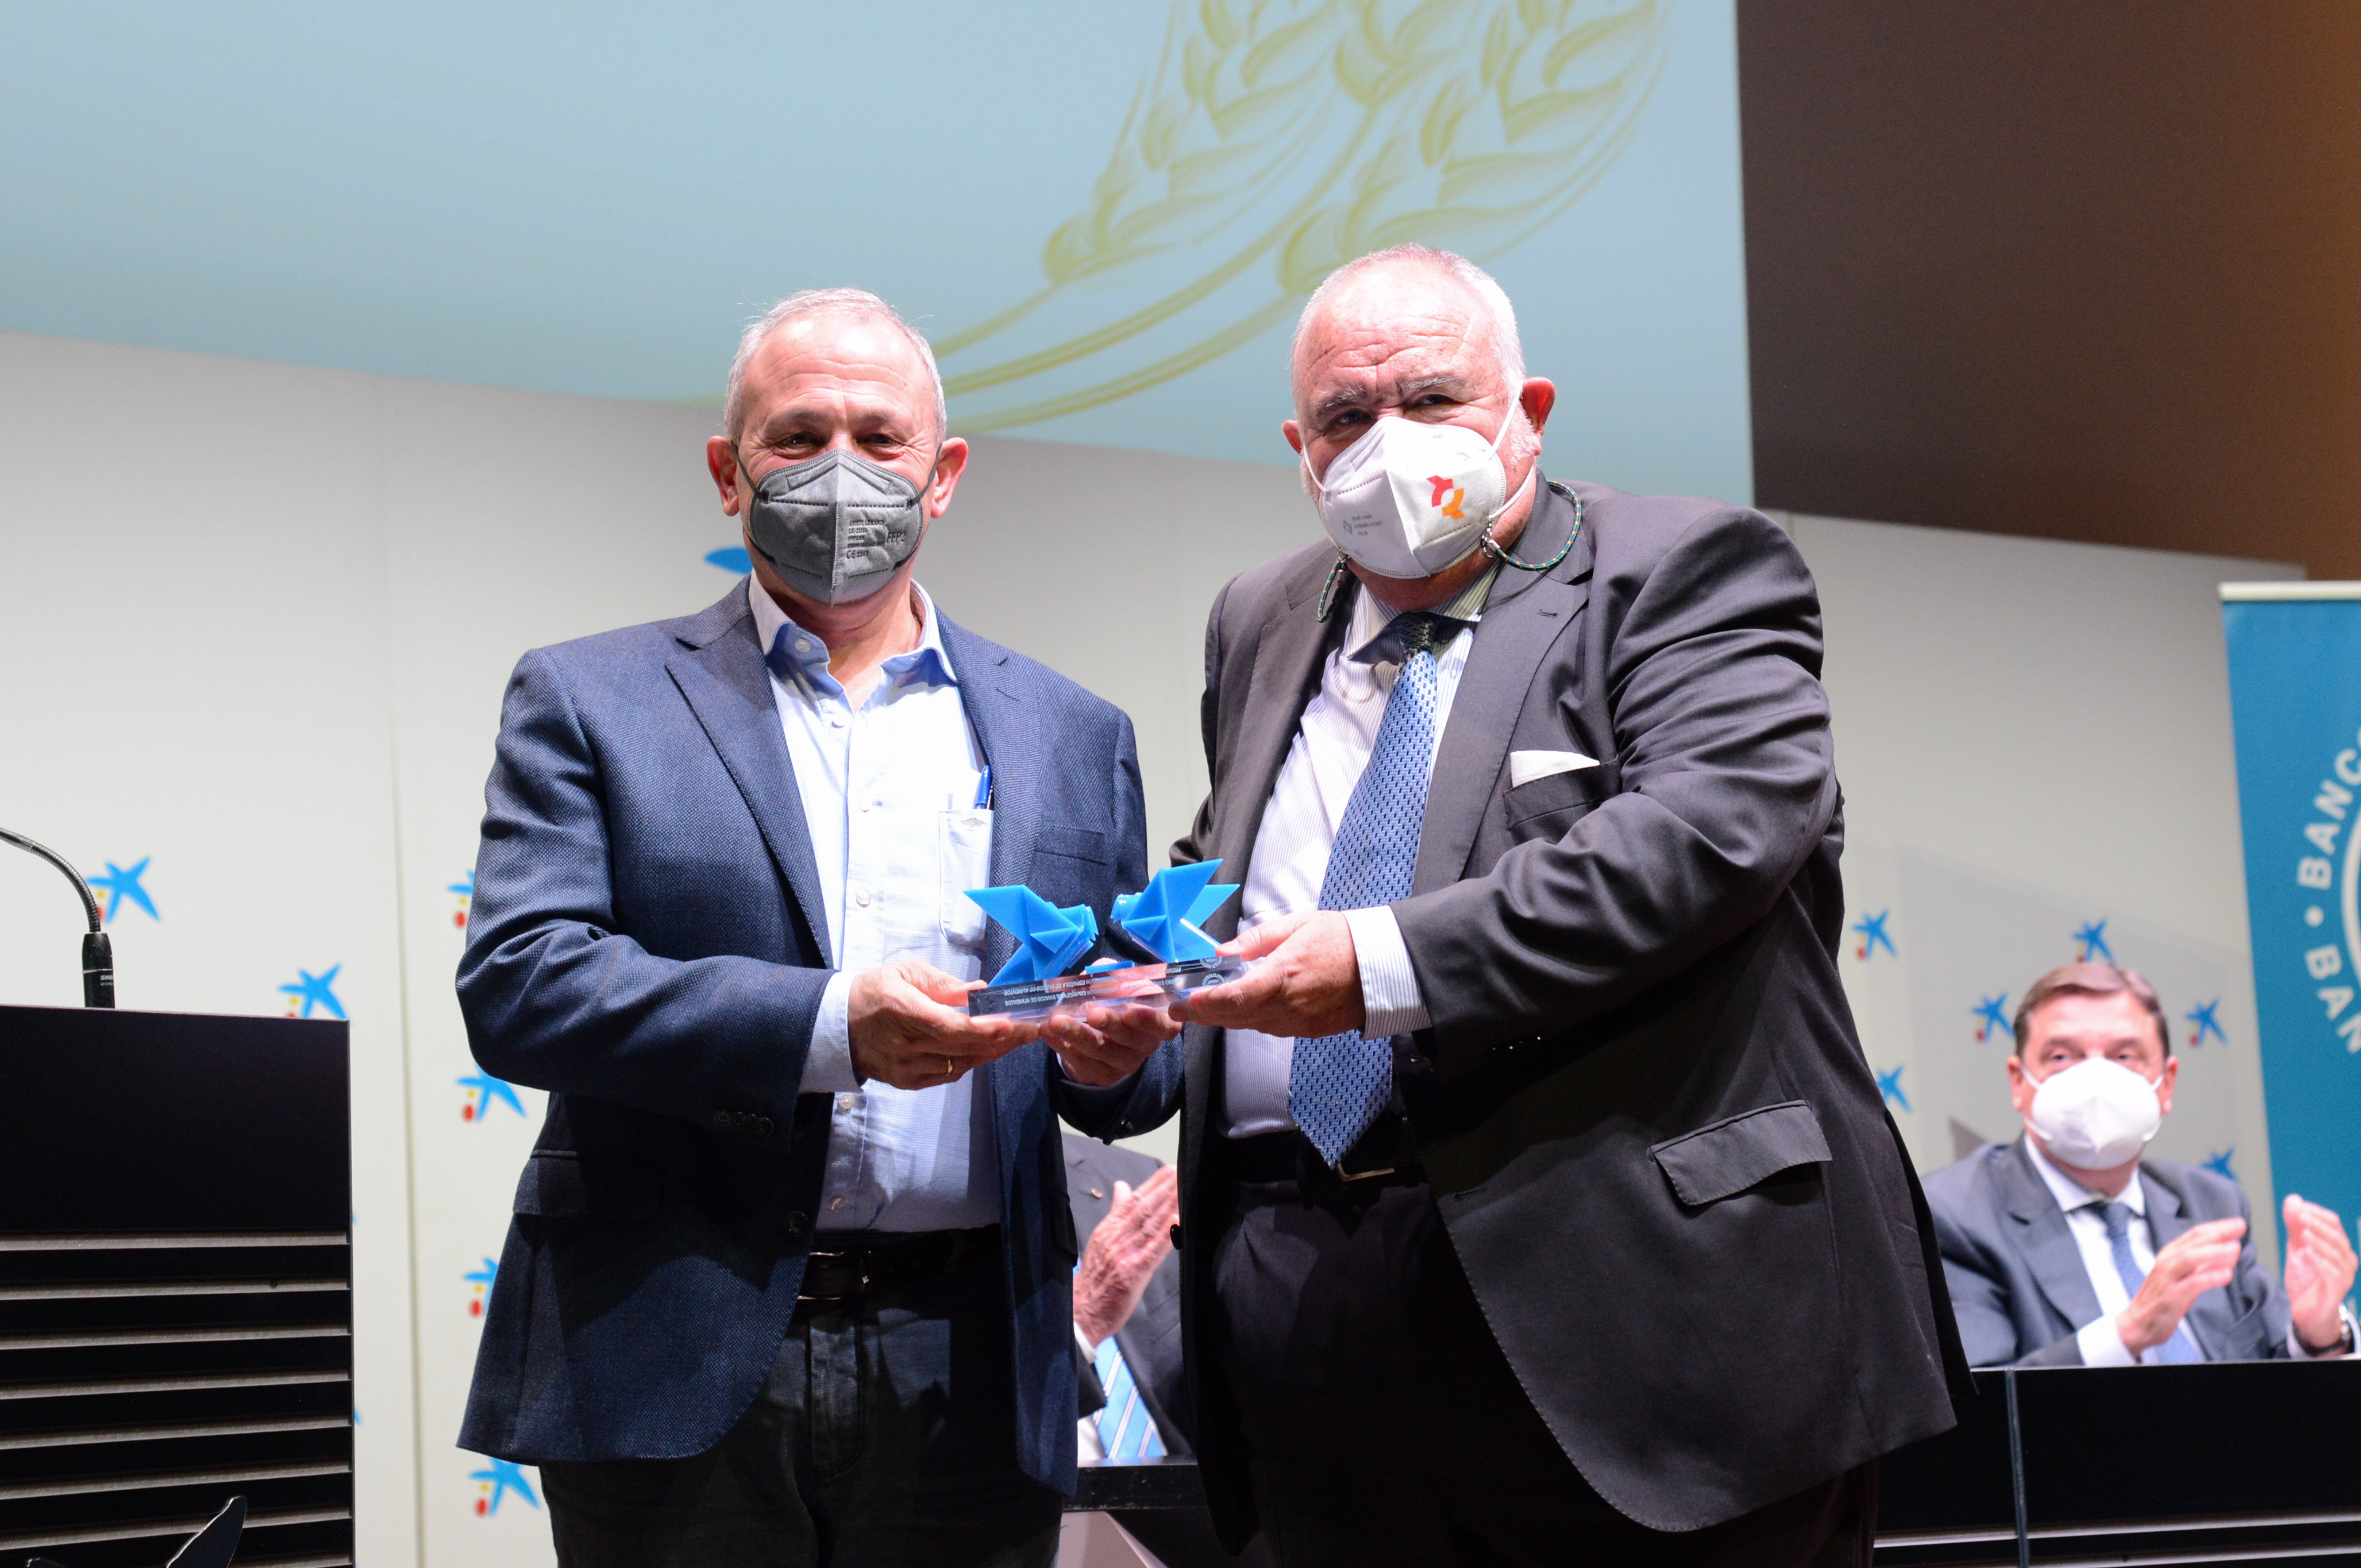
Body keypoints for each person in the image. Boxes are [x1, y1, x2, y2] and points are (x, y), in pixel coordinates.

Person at [1057, 243, 1967, 1567]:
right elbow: (1235, 869)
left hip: (1635, 1300)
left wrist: (1379, 961)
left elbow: (1711, 830)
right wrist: (1123, 1025)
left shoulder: (1682, 566)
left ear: (1525, 413)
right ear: (1300, 451)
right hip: (1304, 1315)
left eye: (1431, 398)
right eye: (1346, 415)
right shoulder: (1261, 615)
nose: (1388, 440)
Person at [454, 288, 1168, 1568]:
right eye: (798, 436)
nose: (842, 468)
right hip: (671, 1336)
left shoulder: (1074, 731)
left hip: (970, 1368)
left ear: (943, 474)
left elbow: (1128, 1060)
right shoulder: (590, 695)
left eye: (881, 437)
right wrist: (830, 1027)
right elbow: (522, 983)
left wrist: (1113, 1054)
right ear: (728, 472)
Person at [1925, 961, 2358, 1367]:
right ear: (2019, 1082)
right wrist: (2126, 1334)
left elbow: (2269, 1386)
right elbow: (1977, 1402)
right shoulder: (1955, 1215)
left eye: (2124, 1056)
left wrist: (2318, 1334)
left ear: (2166, 1083)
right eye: (2061, 1057)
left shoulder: (2209, 1203)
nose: (2095, 1080)